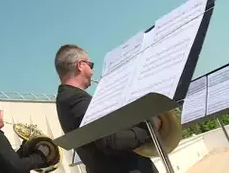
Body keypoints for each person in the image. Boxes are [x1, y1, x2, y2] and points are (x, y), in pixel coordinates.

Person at [54, 44, 161, 173]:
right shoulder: (75, 99)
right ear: (80, 65)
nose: (92, 71)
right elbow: (111, 141)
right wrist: (149, 128)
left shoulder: (69, 98)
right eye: (90, 65)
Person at [0, 101, 50, 173]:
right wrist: (40, 155)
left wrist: (25, 144)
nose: (2, 115)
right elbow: (17, 167)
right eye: (0, 112)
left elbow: (9, 162)